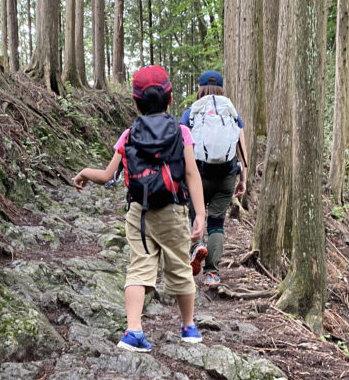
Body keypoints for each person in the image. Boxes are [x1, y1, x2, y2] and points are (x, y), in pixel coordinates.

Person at [73, 65, 206, 352]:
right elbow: (192, 174)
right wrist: (201, 214)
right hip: (174, 210)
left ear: (136, 102)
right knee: (181, 268)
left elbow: (109, 176)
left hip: (140, 213)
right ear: (169, 99)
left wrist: (84, 172)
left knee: (139, 269)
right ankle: (189, 327)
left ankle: (133, 331)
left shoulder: (128, 135)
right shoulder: (181, 132)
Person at [179, 70, 248, 287]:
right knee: (216, 222)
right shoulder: (231, 113)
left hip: (198, 175)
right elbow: (242, 150)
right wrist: (243, 179)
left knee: (194, 216)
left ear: (199, 88)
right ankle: (212, 273)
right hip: (226, 175)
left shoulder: (191, 113)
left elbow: (182, 146)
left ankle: (196, 246)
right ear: (221, 88)